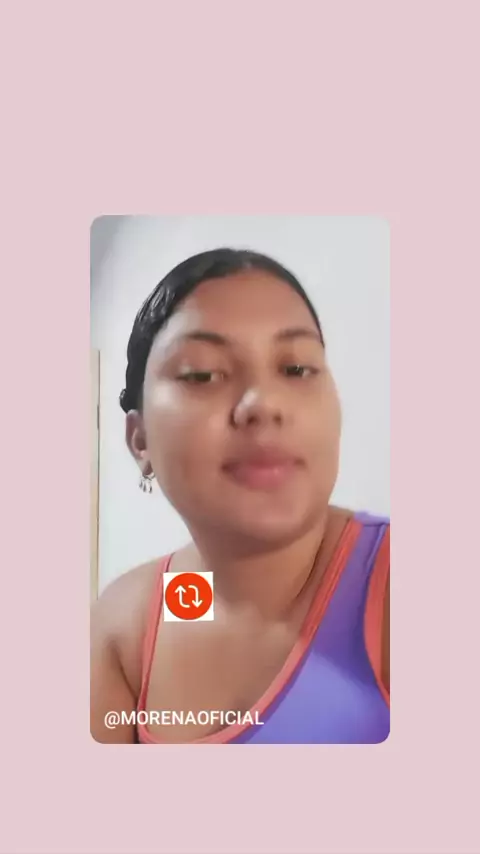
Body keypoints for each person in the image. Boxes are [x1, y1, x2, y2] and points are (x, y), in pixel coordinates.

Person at [90, 247, 390, 744]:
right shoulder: (126, 626)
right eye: (201, 374)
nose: (263, 403)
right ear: (140, 441)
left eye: (297, 369)